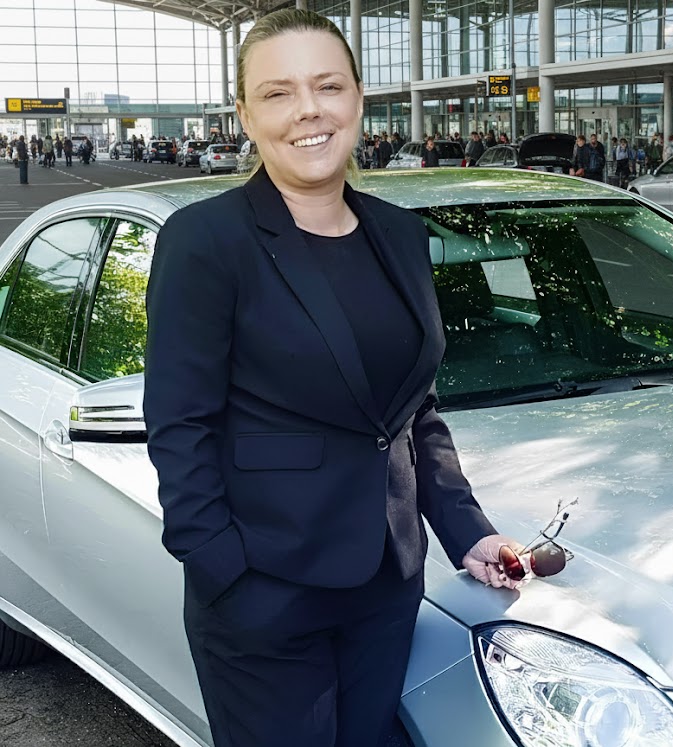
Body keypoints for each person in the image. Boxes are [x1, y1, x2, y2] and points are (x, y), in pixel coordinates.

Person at [143, 10, 523, 747]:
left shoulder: (400, 235)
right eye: (279, 93)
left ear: (358, 99)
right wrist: (227, 572)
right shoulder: (207, 240)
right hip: (265, 590)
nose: (309, 109)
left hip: (385, 585)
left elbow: (416, 411)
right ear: (245, 115)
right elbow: (179, 424)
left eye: (327, 85)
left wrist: (464, 531)